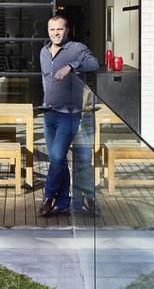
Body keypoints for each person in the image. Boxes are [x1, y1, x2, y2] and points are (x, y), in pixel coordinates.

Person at [38, 15, 99, 217]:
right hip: (49, 113)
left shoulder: (77, 49)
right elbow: (46, 81)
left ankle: (48, 196)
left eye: (59, 29)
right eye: (52, 30)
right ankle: (63, 202)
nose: (56, 33)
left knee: (56, 157)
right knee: (59, 159)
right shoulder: (44, 52)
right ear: (48, 31)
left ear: (67, 30)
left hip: (69, 114)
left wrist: (72, 66)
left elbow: (94, 64)